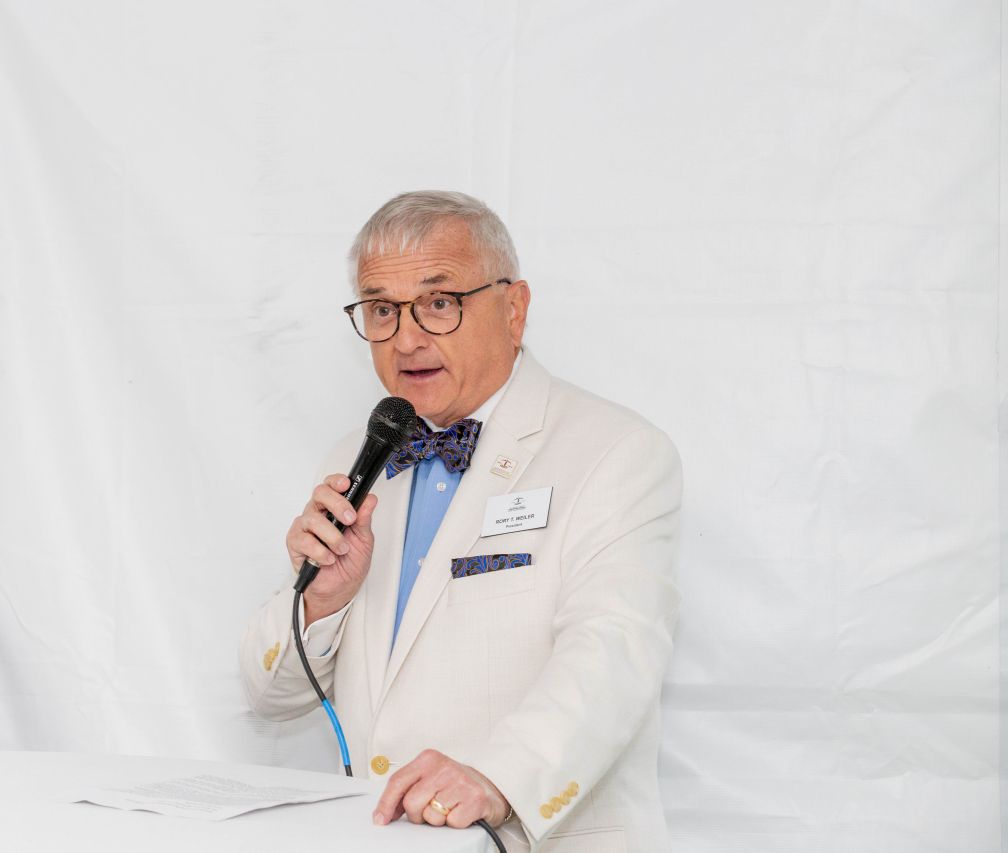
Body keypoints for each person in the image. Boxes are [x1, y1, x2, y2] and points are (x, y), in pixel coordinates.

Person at [240, 191, 682, 852]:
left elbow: (614, 651)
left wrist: (498, 777)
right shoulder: (358, 459)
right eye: (382, 310)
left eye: (440, 302)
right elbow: (272, 696)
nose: (406, 338)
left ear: (514, 309)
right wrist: (322, 602)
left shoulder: (615, 451)